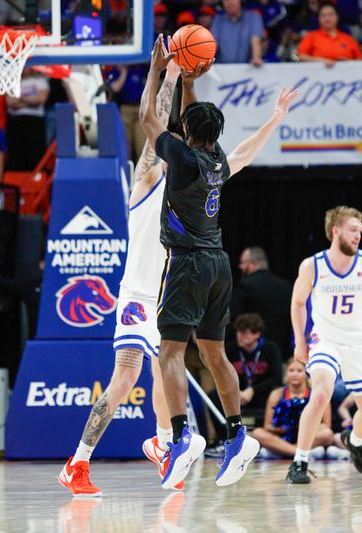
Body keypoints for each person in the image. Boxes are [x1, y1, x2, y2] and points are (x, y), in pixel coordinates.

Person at [138, 36, 298, 489]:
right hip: (219, 265)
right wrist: (275, 117)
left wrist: (157, 69)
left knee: (168, 353)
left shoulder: (183, 158)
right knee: (213, 351)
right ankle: (236, 434)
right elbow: (247, 149)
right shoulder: (216, 159)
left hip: (187, 263)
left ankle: (181, 435)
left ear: (187, 131)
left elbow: (150, 117)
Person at [59, 60, 181, 497]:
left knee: (167, 372)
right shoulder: (147, 178)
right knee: (124, 380)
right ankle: (78, 462)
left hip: (166, 299)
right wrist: (166, 74)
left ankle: (162, 444)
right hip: (136, 296)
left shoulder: (186, 194)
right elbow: (156, 116)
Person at [286, 206, 362, 483]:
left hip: (360, 343)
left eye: (360, 232)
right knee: (320, 394)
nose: (358, 236)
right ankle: (299, 463)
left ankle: (355, 441)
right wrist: (300, 341)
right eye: (353, 230)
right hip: (325, 340)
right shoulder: (312, 265)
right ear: (335, 230)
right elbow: (297, 303)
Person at [208, 313, 282, 444]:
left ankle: (271, 437)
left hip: (261, 393)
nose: (240, 337)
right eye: (239, 332)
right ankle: (224, 439)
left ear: (257, 334)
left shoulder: (270, 349)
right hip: (237, 393)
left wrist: (253, 390)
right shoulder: (230, 349)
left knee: (277, 395)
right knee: (213, 395)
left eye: (245, 333)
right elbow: (222, 375)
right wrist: (236, 391)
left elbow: (275, 379)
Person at [251, 358, 333, 460]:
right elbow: (267, 425)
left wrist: (303, 426)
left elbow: (326, 425)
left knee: (327, 434)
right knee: (257, 433)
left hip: (309, 435)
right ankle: (298, 453)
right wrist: (281, 428)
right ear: (286, 373)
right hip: (282, 438)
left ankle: (284, 453)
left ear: (307, 373)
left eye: (299, 371)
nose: (295, 374)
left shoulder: (317, 394)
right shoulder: (277, 394)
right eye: (291, 370)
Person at [230, 246, 292, 355]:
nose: (240, 267)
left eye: (243, 263)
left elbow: (234, 317)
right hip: (283, 350)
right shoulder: (286, 287)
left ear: (253, 263)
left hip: (252, 352)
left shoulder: (244, 286)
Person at [5, 69, 49, 171]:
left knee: (35, 150)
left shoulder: (40, 82)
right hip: (15, 120)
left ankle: (35, 177)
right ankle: (16, 179)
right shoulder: (11, 83)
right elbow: (10, 102)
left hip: (34, 120)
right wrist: (30, 100)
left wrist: (20, 99)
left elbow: (40, 99)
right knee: (16, 151)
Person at [297, 3, 362, 66]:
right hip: (318, 76)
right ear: (318, 18)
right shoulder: (311, 36)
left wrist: (347, 63)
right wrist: (321, 61)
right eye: (323, 15)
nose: (327, 18)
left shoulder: (348, 38)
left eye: (330, 15)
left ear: (337, 17)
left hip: (346, 76)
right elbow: (301, 56)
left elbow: (360, 60)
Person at [210, 0, 265, 65]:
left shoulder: (254, 17)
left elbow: (255, 41)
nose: (230, 2)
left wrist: (256, 58)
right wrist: (206, 60)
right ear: (221, 3)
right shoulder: (217, 20)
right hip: (223, 69)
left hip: (248, 69)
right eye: (226, 0)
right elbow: (213, 43)